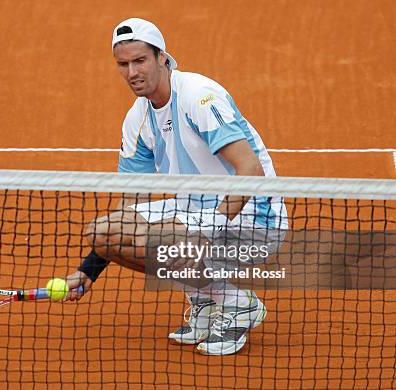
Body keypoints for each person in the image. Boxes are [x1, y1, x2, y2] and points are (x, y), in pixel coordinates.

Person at [65, 18, 288, 355]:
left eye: (140, 61)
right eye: (123, 64)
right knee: (104, 232)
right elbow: (131, 205)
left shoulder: (198, 97)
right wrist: (89, 270)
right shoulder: (136, 121)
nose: (131, 73)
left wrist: (206, 231)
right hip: (195, 209)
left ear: (162, 58)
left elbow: (250, 168)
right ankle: (207, 299)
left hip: (253, 218)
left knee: (162, 241)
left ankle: (237, 304)